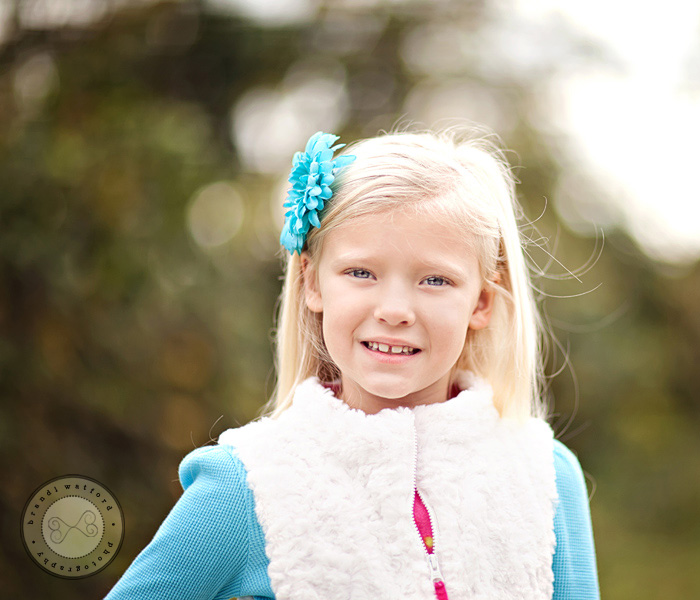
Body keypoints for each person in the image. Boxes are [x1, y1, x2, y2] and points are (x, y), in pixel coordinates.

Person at [103, 128, 600, 599]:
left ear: (481, 304)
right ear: (313, 283)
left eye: (435, 280)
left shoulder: (545, 477)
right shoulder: (248, 485)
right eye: (361, 272)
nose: (395, 310)